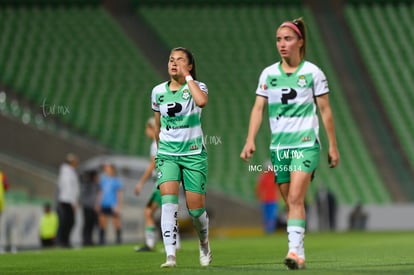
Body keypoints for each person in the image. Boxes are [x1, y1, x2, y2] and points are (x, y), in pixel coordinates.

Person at [240, 18, 339, 270]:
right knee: (291, 202)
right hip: (279, 147)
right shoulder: (268, 74)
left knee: (295, 197)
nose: (282, 44)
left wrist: (332, 146)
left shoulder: (313, 73)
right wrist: (250, 139)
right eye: (278, 39)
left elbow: (325, 111)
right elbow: (258, 107)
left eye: (288, 39)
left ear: (300, 42)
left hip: (305, 143)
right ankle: (300, 253)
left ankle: (293, 251)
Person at [151, 47, 211, 268]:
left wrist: (188, 77)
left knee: (196, 211)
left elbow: (202, 102)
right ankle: (170, 256)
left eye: (180, 60)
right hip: (168, 154)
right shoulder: (157, 91)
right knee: (168, 204)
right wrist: (160, 154)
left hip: (194, 154)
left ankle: (204, 243)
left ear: (190, 65)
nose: (173, 63)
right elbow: (157, 125)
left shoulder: (198, 86)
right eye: (171, 60)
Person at [134, 117, 181, 252]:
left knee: (150, 211)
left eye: (147, 128)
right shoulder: (166, 140)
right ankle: (174, 243)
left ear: (152, 128)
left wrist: (141, 182)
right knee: (166, 211)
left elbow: (153, 164)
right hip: (167, 180)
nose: (145, 131)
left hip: (161, 181)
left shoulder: (156, 143)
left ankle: (152, 244)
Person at [96, 163, 123, 245]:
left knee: (116, 222)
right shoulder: (103, 180)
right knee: (102, 222)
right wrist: (98, 203)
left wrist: (118, 205)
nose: (106, 170)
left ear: (112, 169)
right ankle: (101, 240)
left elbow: (119, 194)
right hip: (104, 203)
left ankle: (118, 240)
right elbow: (101, 192)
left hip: (113, 204)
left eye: (108, 168)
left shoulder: (116, 180)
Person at [56, 153, 80, 248]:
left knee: (68, 221)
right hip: (67, 200)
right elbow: (68, 188)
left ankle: (64, 240)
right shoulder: (67, 172)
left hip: (68, 200)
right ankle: (63, 241)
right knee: (68, 221)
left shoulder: (69, 171)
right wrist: (73, 201)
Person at [256, 163, 279, 234]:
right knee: (267, 216)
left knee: (271, 216)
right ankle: (268, 230)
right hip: (266, 199)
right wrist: (259, 195)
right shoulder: (264, 176)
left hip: (272, 199)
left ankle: (270, 230)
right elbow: (259, 188)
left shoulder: (274, 176)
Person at [80, 169, 99, 246]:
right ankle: (85, 240)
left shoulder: (96, 184)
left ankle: (90, 240)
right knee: (87, 224)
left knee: (92, 224)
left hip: (94, 207)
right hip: (87, 206)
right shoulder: (87, 184)